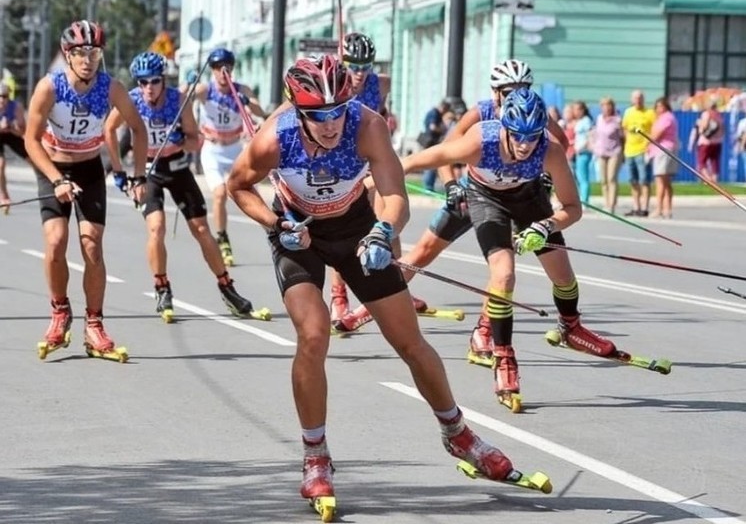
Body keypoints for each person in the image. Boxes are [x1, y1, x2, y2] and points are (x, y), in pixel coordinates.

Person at [226, 55, 522, 510]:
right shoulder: (274, 137)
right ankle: (316, 456)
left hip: (356, 228)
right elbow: (238, 186)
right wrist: (274, 223)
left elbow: (394, 197)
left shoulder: (367, 126)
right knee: (313, 334)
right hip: (297, 233)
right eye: (318, 117)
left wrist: (384, 231)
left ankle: (457, 432)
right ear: (299, 112)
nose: (330, 126)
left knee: (409, 340)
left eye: (337, 112)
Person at [400, 87, 621, 412]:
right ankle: (504, 357)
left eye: (532, 136)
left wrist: (546, 226)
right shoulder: (480, 141)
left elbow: (573, 208)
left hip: (528, 198)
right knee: (503, 276)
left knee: (563, 275)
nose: (524, 144)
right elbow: (417, 160)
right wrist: (367, 181)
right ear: (504, 127)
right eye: (517, 136)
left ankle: (571, 328)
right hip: (485, 199)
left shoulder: (549, 150)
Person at [334, 60, 568, 362]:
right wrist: (451, 185)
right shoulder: (480, 114)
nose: (516, 95)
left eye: (523, 89)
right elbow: (443, 152)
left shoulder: (531, 114)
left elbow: (560, 143)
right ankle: (366, 308)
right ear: (495, 91)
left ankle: (484, 332)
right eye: (510, 90)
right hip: (472, 194)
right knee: (423, 252)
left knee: (501, 270)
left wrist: (546, 178)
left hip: (517, 198)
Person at [24, 20, 148, 361]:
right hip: (53, 167)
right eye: (80, 52)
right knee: (55, 241)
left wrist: (139, 177)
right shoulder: (50, 87)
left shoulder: (112, 88)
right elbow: (30, 141)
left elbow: (138, 129)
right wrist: (57, 180)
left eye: (94, 52)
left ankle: (94, 324)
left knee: (92, 245)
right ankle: (60, 312)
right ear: (67, 55)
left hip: (90, 168)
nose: (88, 59)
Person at [104, 51, 259, 322]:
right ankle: (162, 287)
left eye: (153, 81)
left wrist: (180, 139)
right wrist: (119, 172)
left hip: (176, 167)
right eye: (142, 82)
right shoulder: (133, 99)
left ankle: (226, 286)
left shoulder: (178, 100)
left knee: (201, 229)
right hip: (148, 170)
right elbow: (109, 130)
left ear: (163, 80)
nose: (148, 88)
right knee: (157, 228)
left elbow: (194, 141)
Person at [327, 32, 392, 326]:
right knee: (346, 229)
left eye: (365, 65)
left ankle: (395, 287)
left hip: (368, 158)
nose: (359, 73)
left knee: (386, 221)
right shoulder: (332, 83)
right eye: (353, 65)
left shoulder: (381, 83)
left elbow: (381, 112)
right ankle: (338, 295)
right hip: (340, 162)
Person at [193, 48, 268, 266]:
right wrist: (189, 86)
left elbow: (260, 112)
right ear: (212, 71)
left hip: (235, 148)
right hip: (213, 150)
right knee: (219, 194)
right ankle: (223, 239)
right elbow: (184, 96)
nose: (222, 73)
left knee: (251, 192)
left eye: (226, 68)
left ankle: (272, 233)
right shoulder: (206, 90)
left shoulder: (240, 89)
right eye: (217, 68)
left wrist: (247, 101)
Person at [621, 90, 655, 217]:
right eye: (635, 98)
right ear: (632, 99)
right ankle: (636, 206)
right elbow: (624, 129)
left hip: (643, 150)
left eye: (640, 97)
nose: (638, 100)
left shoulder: (649, 113)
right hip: (630, 150)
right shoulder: (628, 112)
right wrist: (625, 146)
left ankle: (645, 207)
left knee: (644, 180)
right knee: (633, 181)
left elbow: (654, 130)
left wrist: (649, 146)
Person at [647, 97, 678, 219]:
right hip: (664, 150)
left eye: (661, 106)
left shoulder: (667, 117)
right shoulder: (664, 118)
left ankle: (660, 208)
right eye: (657, 106)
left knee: (660, 180)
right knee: (666, 181)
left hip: (663, 150)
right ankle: (667, 208)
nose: (658, 108)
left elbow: (656, 135)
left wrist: (647, 142)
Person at [593, 97, 624, 214]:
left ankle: (612, 204)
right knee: (603, 180)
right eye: (604, 105)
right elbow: (596, 134)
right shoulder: (599, 119)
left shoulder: (617, 120)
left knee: (611, 178)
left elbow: (622, 137)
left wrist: (623, 154)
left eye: (608, 105)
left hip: (614, 152)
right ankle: (606, 203)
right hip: (601, 152)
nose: (606, 108)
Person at [0, 82, 29, 209]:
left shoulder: (16, 107)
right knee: (0, 164)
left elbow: (22, 132)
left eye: (5, 96)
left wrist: (12, 127)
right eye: (0, 96)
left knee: (34, 158)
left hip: (11, 133)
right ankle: (3, 195)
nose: (2, 99)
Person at [690, 101, 724, 183]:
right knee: (715, 161)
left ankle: (708, 179)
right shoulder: (719, 115)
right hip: (718, 142)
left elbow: (704, 127)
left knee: (702, 161)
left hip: (705, 142)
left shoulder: (706, 114)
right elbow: (723, 130)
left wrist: (699, 125)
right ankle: (715, 179)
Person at [571, 101, 594, 205]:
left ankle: (585, 201)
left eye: (577, 109)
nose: (575, 112)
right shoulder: (579, 121)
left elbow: (589, 136)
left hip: (583, 152)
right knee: (578, 177)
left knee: (583, 177)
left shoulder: (586, 121)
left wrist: (582, 147)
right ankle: (581, 197)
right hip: (577, 152)